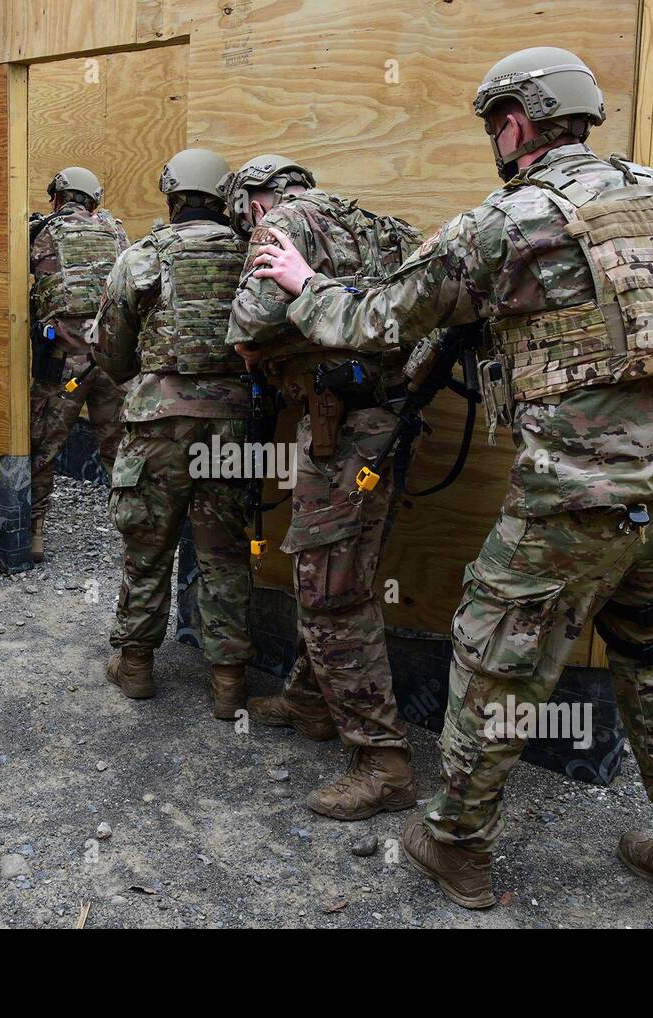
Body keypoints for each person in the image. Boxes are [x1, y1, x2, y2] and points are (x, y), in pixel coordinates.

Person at [251, 48, 653, 921]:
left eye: (492, 125)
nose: (492, 140)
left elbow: (374, 320)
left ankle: (455, 842)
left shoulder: (505, 223)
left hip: (573, 502)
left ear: (515, 122)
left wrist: (302, 281)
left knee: (492, 668)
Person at [226, 155, 425, 821]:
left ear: (255, 200)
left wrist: (272, 344)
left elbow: (249, 323)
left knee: (329, 591)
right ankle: (310, 700)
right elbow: (424, 311)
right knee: (345, 571)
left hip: (340, 435)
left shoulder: (279, 224)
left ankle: (384, 761)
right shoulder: (380, 225)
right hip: (388, 424)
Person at [91, 149, 255, 720]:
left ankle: (135, 665)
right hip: (233, 424)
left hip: (158, 424)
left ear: (170, 193)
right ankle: (228, 680)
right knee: (225, 552)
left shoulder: (142, 258)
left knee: (147, 545)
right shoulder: (251, 256)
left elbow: (109, 351)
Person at [29, 166, 129, 563]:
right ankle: (133, 534)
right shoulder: (117, 232)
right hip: (112, 361)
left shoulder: (41, 232)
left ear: (58, 197)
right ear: (93, 199)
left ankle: (34, 532)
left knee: (42, 446)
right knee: (121, 449)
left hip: (63, 364)